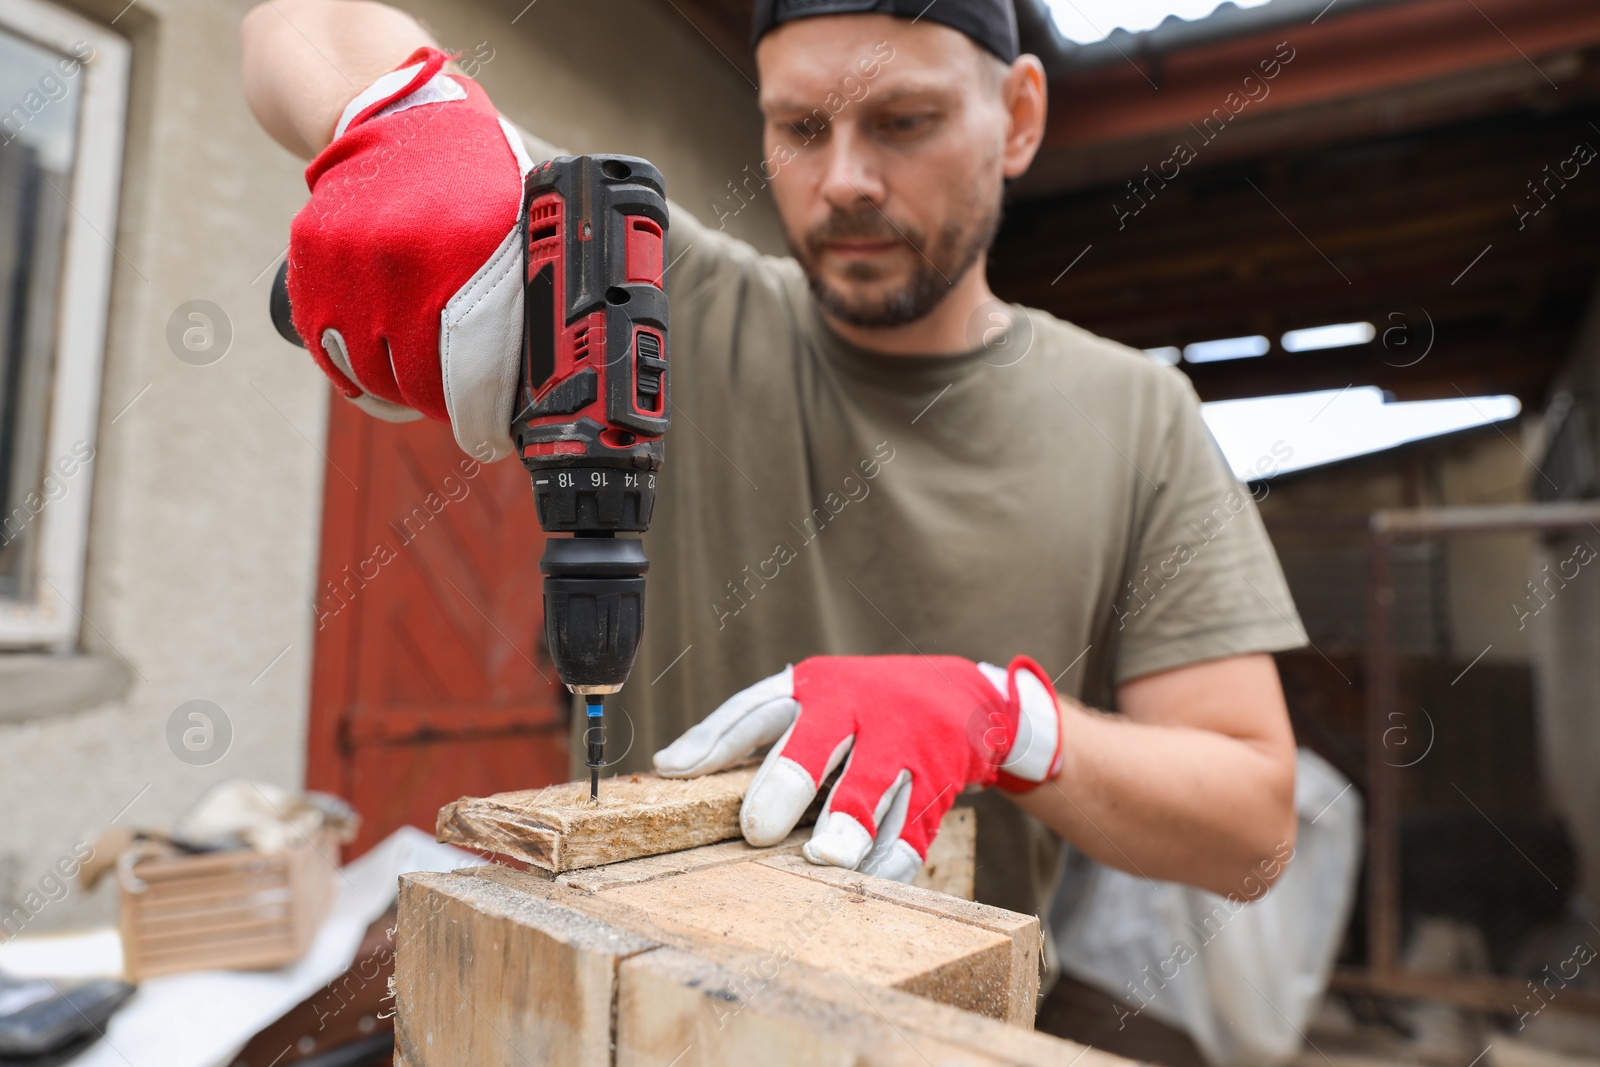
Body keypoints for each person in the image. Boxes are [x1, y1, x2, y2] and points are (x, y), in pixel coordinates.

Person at [241, 0, 1314, 1047]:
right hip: (615, 1014)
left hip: (937, 1028)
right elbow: (297, 24)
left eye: (903, 121)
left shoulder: (1137, 414)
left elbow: (1254, 831)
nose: (843, 178)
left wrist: (1004, 719)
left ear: (1020, 116)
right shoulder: (653, 297)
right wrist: (406, 122)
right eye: (800, 128)